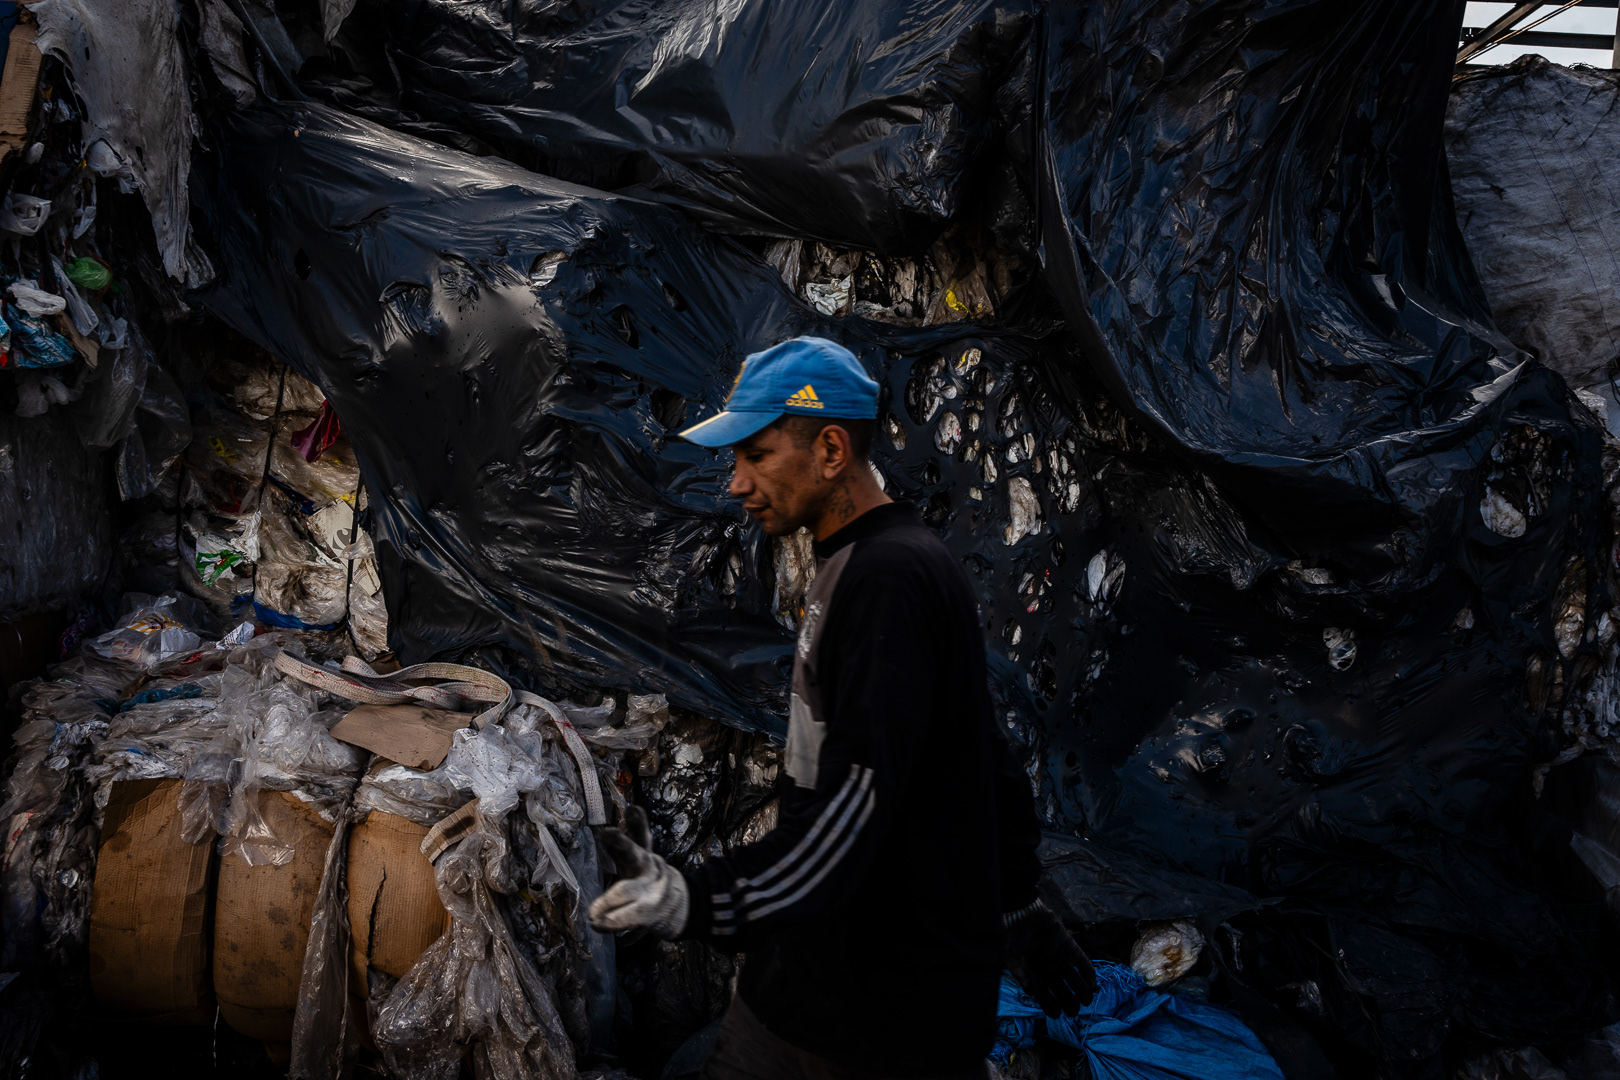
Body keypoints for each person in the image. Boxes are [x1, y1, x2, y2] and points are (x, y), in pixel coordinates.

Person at [589, 337, 1096, 1079]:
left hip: (852, 1017)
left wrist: (691, 900)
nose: (735, 483)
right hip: (873, 1000)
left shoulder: (882, 581)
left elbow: (849, 814)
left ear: (830, 450)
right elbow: (985, 757)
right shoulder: (896, 561)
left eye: (756, 455)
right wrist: (1016, 903)